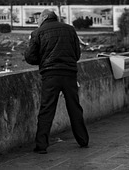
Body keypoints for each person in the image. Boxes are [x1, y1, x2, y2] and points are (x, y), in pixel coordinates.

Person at [24, 9, 89, 154]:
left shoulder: (37, 33)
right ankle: (83, 140)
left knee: (47, 109)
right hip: (69, 74)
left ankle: (41, 146)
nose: (38, 21)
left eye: (39, 18)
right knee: (74, 107)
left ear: (45, 17)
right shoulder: (70, 30)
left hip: (50, 74)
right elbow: (77, 54)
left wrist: (43, 59)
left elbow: (30, 57)